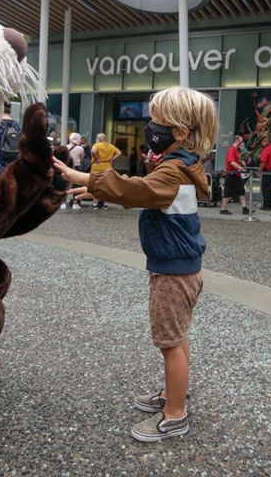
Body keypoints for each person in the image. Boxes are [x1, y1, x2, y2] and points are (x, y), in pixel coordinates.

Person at [52, 86, 216, 443]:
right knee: (177, 335)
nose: (150, 127)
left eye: (157, 122)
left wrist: (85, 177)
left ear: (181, 133)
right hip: (182, 266)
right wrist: (99, 190)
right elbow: (140, 189)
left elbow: (134, 190)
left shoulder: (172, 171)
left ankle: (175, 415)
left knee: (169, 341)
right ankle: (174, 394)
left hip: (173, 271)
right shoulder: (184, 164)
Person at [89, 132, 121, 209]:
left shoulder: (96, 145)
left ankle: (95, 204)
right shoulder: (111, 146)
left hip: (97, 167)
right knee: (106, 186)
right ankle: (103, 203)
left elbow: (93, 151)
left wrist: (97, 158)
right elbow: (119, 153)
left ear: (99, 139)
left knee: (95, 185)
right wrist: (112, 159)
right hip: (107, 167)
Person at [219, 135, 249, 215]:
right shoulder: (231, 149)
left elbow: (236, 160)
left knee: (241, 191)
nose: (242, 143)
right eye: (241, 141)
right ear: (237, 140)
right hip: (231, 173)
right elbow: (231, 162)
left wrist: (241, 162)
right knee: (228, 191)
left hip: (236, 174)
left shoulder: (236, 150)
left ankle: (244, 208)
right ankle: (223, 209)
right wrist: (240, 168)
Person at [258, 134, 271, 211]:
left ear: (265, 142)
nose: (262, 144)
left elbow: (263, 161)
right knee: (270, 189)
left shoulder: (266, 150)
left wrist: (260, 170)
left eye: (262, 142)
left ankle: (266, 206)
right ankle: (268, 205)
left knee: (266, 189)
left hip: (268, 172)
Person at [65, 133, 85, 210]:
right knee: (76, 185)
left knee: (65, 184)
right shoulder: (80, 149)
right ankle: (75, 203)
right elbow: (81, 157)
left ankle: (63, 203)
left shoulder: (65, 147)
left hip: (67, 167)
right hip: (76, 167)